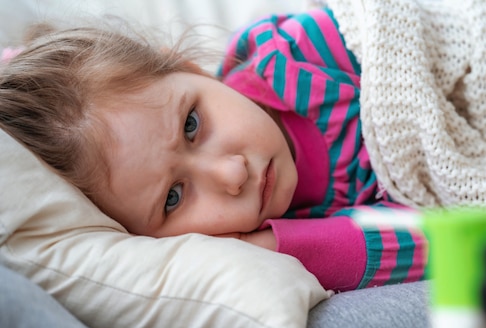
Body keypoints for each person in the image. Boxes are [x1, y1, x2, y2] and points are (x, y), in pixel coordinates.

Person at [0, 7, 426, 291]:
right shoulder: (271, 237)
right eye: (173, 197)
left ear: (190, 69)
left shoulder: (311, 57)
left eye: (191, 124)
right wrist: (274, 249)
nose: (233, 173)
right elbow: (445, 242)